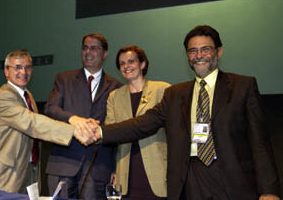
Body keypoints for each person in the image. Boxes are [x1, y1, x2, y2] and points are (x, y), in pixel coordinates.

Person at [94, 26, 281, 200]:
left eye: (205, 49)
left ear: (219, 52)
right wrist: (100, 132)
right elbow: (142, 124)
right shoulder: (175, 94)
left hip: (233, 182)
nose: (199, 55)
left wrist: (269, 190)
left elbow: (260, 143)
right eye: (193, 51)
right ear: (187, 56)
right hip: (190, 182)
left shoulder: (243, 86)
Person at [0, 50, 90, 194]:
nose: (24, 72)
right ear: (7, 71)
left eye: (28, 67)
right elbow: (32, 123)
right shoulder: (3, 97)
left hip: (29, 171)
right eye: (18, 67)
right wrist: (74, 129)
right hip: (6, 173)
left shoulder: (28, 96)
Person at [43, 34, 122, 199]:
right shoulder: (64, 79)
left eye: (94, 48)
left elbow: (118, 128)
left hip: (98, 166)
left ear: (105, 54)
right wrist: (74, 119)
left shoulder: (117, 86)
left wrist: (116, 169)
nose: (88, 52)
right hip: (63, 163)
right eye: (85, 47)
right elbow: (51, 108)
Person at [105, 46, 170, 200]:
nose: (126, 66)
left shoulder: (163, 89)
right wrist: (114, 170)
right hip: (126, 172)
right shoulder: (114, 97)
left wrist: (174, 167)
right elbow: (111, 134)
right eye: (122, 64)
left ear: (142, 64)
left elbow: (175, 132)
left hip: (159, 169)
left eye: (131, 61)